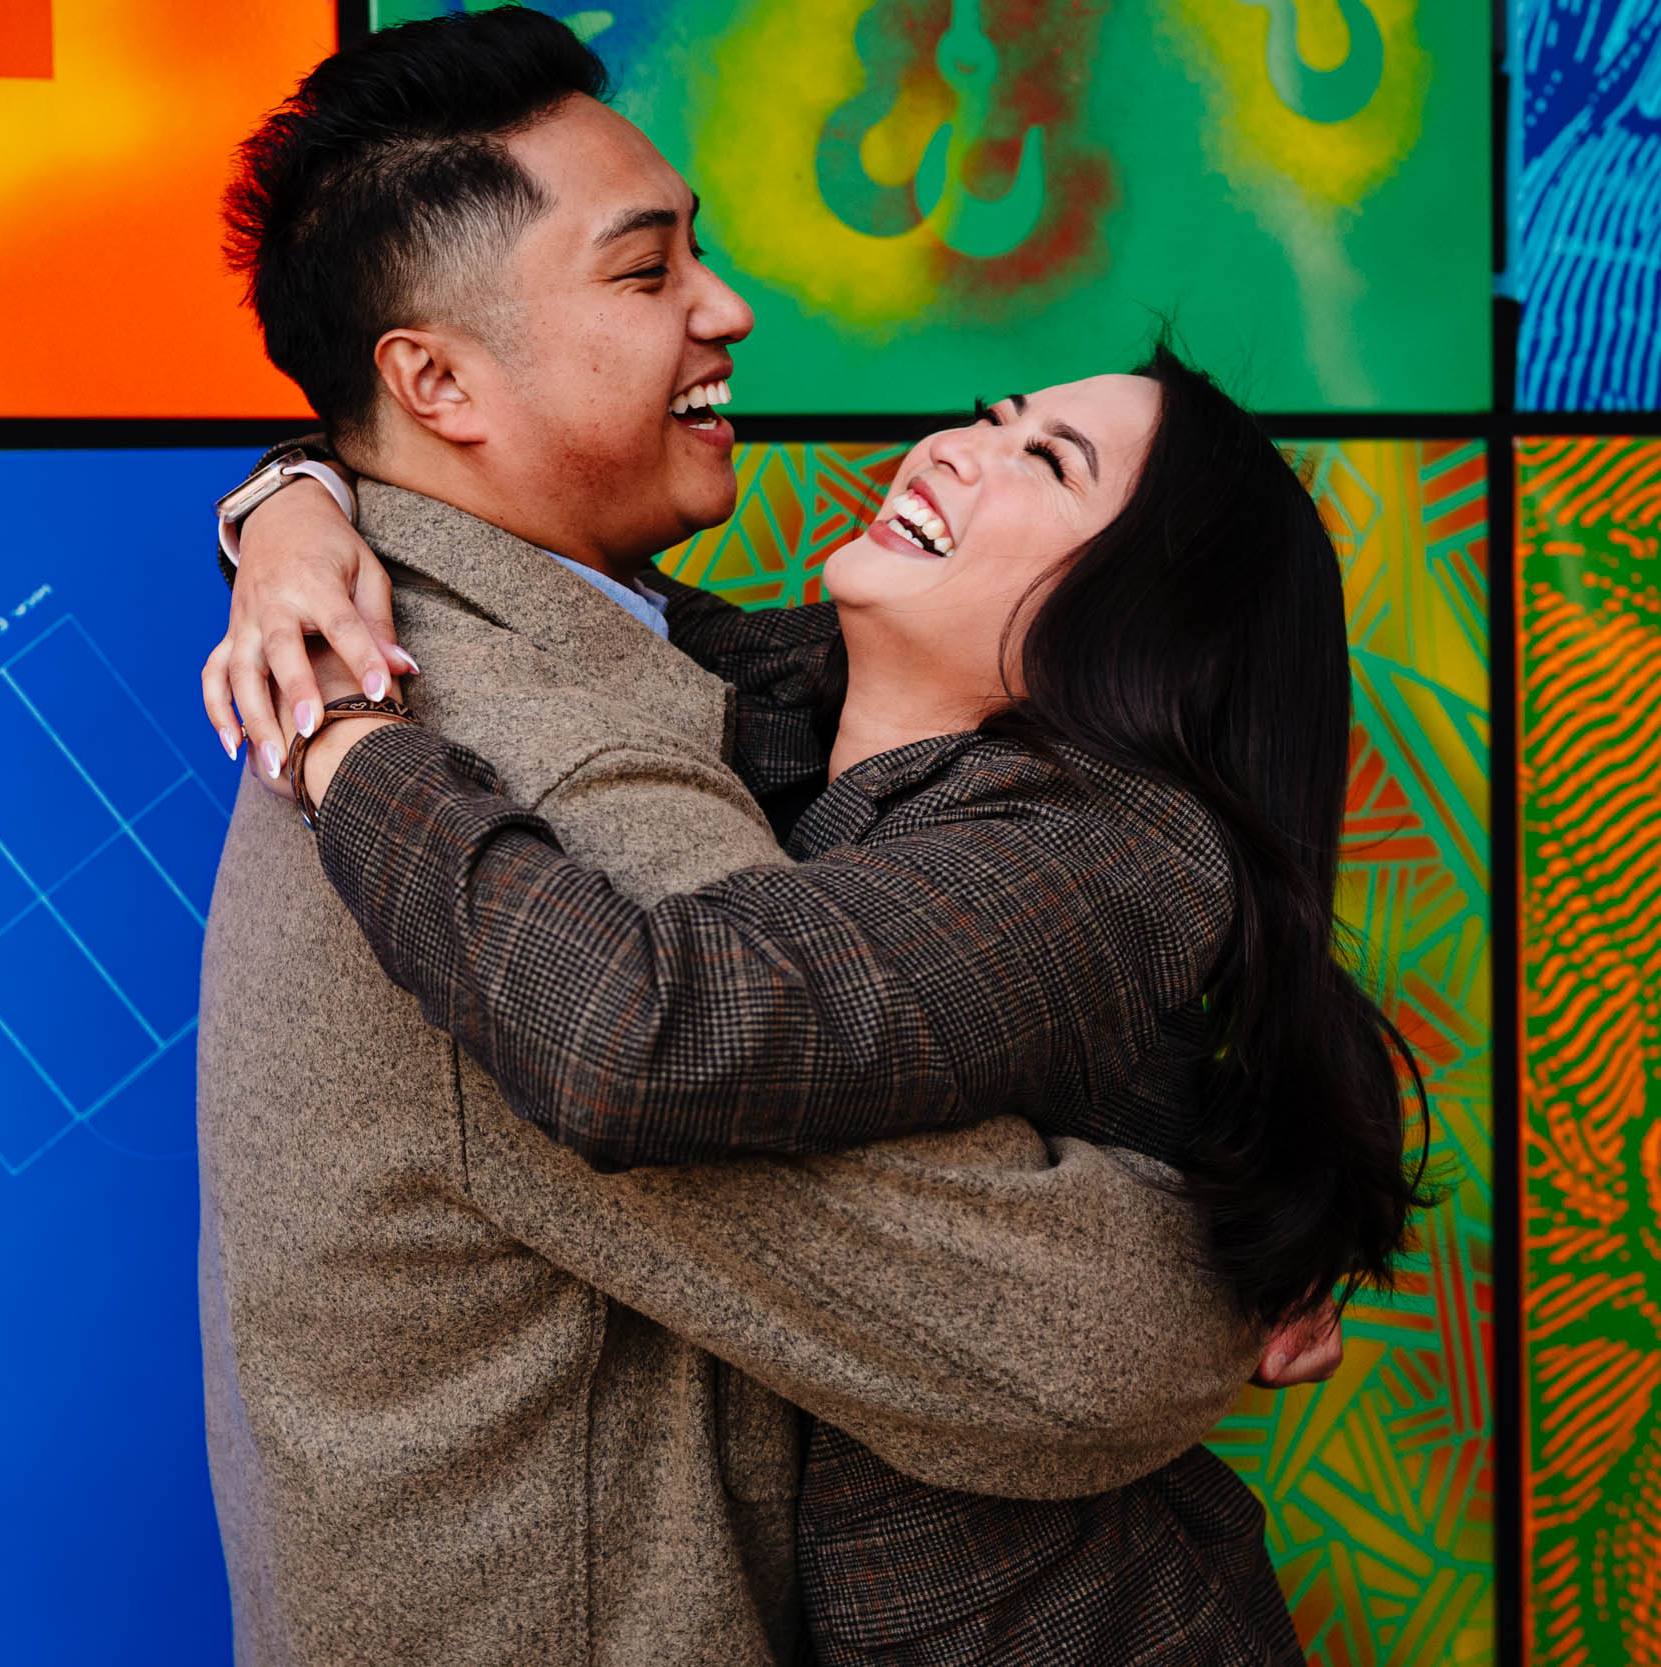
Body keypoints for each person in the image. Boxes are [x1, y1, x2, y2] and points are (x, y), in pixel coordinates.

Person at [196, 10, 1350, 1664]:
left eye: (1047, 458)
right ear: (435, 381)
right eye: (647, 272)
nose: (728, 309)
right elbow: (1084, 1344)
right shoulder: (536, 762)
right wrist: (1226, 1288)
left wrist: (287, 505)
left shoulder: (577, 651)